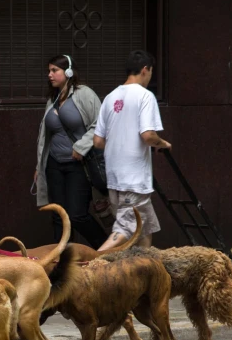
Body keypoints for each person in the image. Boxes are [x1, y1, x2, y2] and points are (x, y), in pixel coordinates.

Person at [94, 50, 172, 251]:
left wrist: (121, 142)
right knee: (125, 229)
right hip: (133, 179)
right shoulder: (145, 96)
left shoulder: (110, 97)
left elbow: (98, 141)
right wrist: (163, 143)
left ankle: (145, 273)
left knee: (145, 228)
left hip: (114, 177)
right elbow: (148, 136)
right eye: (151, 72)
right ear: (145, 70)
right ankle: (90, 263)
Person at [34, 54, 108, 248]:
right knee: (58, 215)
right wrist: (39, 166)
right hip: (54, 164)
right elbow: (44, 137)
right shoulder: (53, 99)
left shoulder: (84, 94)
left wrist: (81, 147)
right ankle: (61, 258)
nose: (49, 74)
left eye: (54, 70)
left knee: (77, 215)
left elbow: (100, 123)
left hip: (78, 165)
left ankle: (103, 249)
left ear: (68, 72)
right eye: (49, 70)